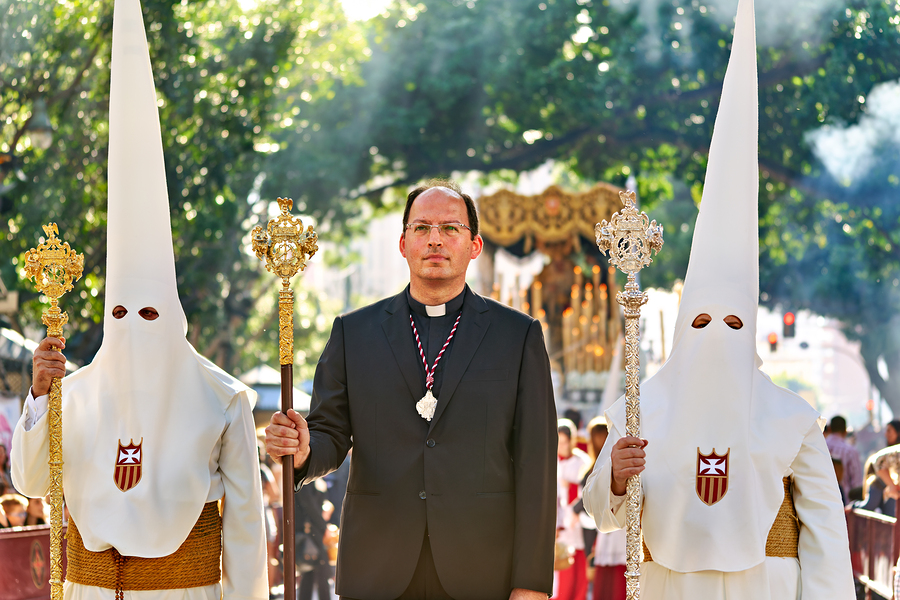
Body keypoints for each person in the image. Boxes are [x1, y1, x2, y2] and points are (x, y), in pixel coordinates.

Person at [582, 1, 854, 598]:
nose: (716, 333)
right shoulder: (643, 405)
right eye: (701, 321)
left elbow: (826, 538)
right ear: (681, 329)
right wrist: (619, 478)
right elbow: (600, 512)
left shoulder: (791, 418)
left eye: (733, 322)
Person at [11, 2, 267, 600]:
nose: (133, 327)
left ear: (175, 319)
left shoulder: (223, 399)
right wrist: (40, 398)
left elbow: (247, 525)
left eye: (149, 315)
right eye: (120, 315)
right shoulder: (75, 394)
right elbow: (28, 481)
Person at [266, 179, 557, 599]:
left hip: (482, 570)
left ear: (474, 245)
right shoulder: (354, 332)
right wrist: (304, 448)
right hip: (376, 568)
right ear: (402, 243)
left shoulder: (517, 335)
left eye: (450, 228)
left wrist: (531, 583)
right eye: (421, 228)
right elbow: (329, 431)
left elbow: (537, 463)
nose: (435, 239)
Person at [553, 419, 590, 600]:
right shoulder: (552, 462)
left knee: (578, 571)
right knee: (561, 571)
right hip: (559, 520)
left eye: (565, 442)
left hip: (578, 520)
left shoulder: (581, 461)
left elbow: (587, 489)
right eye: (558, 442)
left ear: (571, 440)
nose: (562, 446)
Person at [826, 415, 863, 504]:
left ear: (830, 429)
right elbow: (856, 482)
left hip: (822, 500)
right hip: (844, 503)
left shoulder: (819, 447)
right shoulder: (850, 451)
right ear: (845, 430)